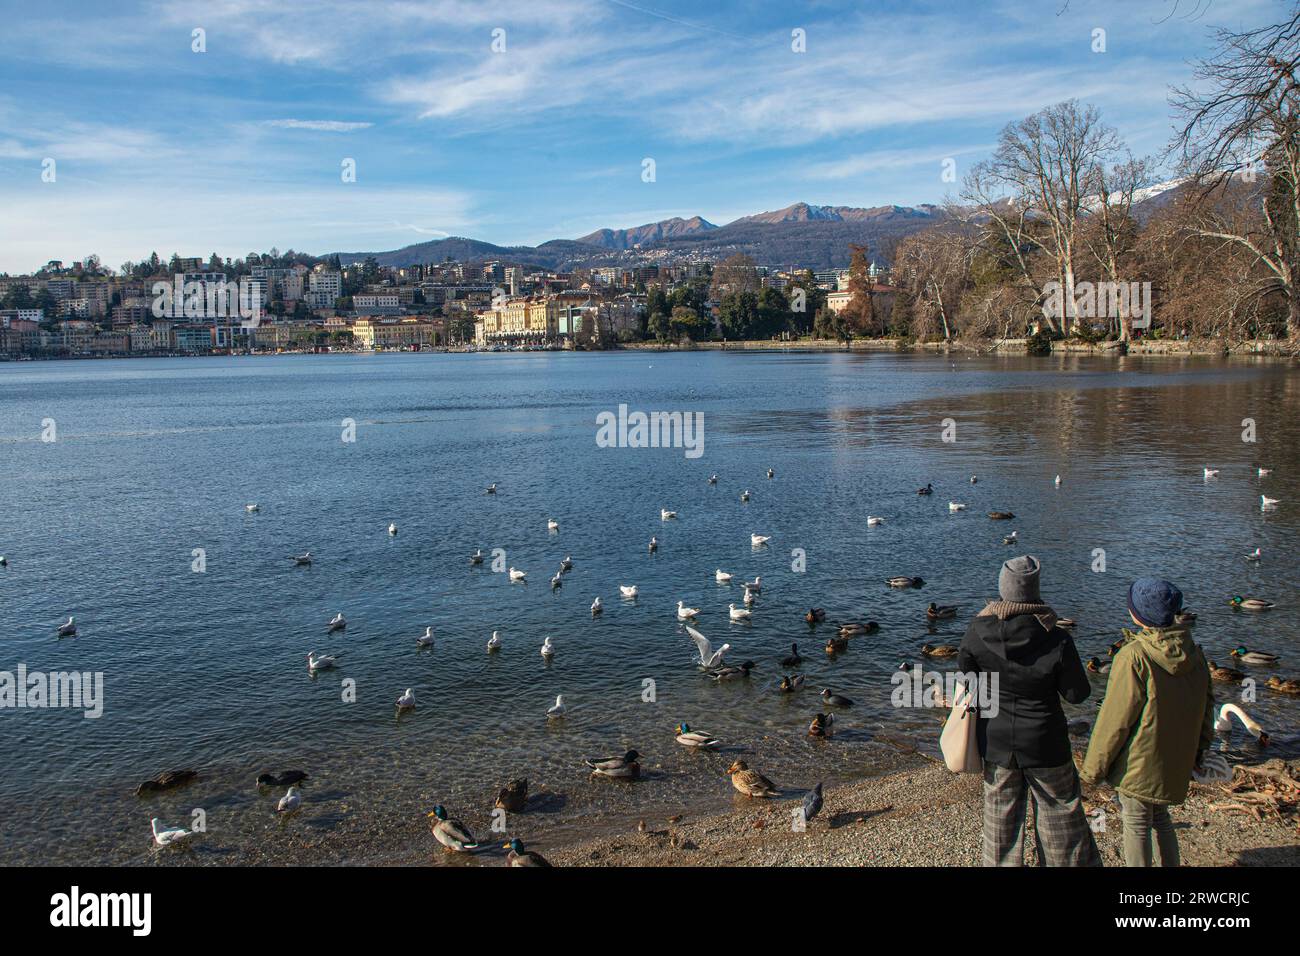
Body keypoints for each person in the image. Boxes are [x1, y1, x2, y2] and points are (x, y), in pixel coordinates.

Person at [957, 555, 1098, 866]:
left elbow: (968, 682)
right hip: (1046, 742)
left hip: (996, 744)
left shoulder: (976, 632)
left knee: (1000, 828)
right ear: (1035, 590)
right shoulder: (1056, 637)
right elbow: (1077, 694)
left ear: (1002, 589)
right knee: (1061, 820)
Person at [1081, 578, 1215, 867]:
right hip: (1175, 758)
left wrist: (1092, 770)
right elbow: (1207, 708)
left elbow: (1115, 720)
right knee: (1161, 818)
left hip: (1138, 763)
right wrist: (1200, 750)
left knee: (1137, 823)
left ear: (1138, 615)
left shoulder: (1134, 656)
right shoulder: (1195, 653)